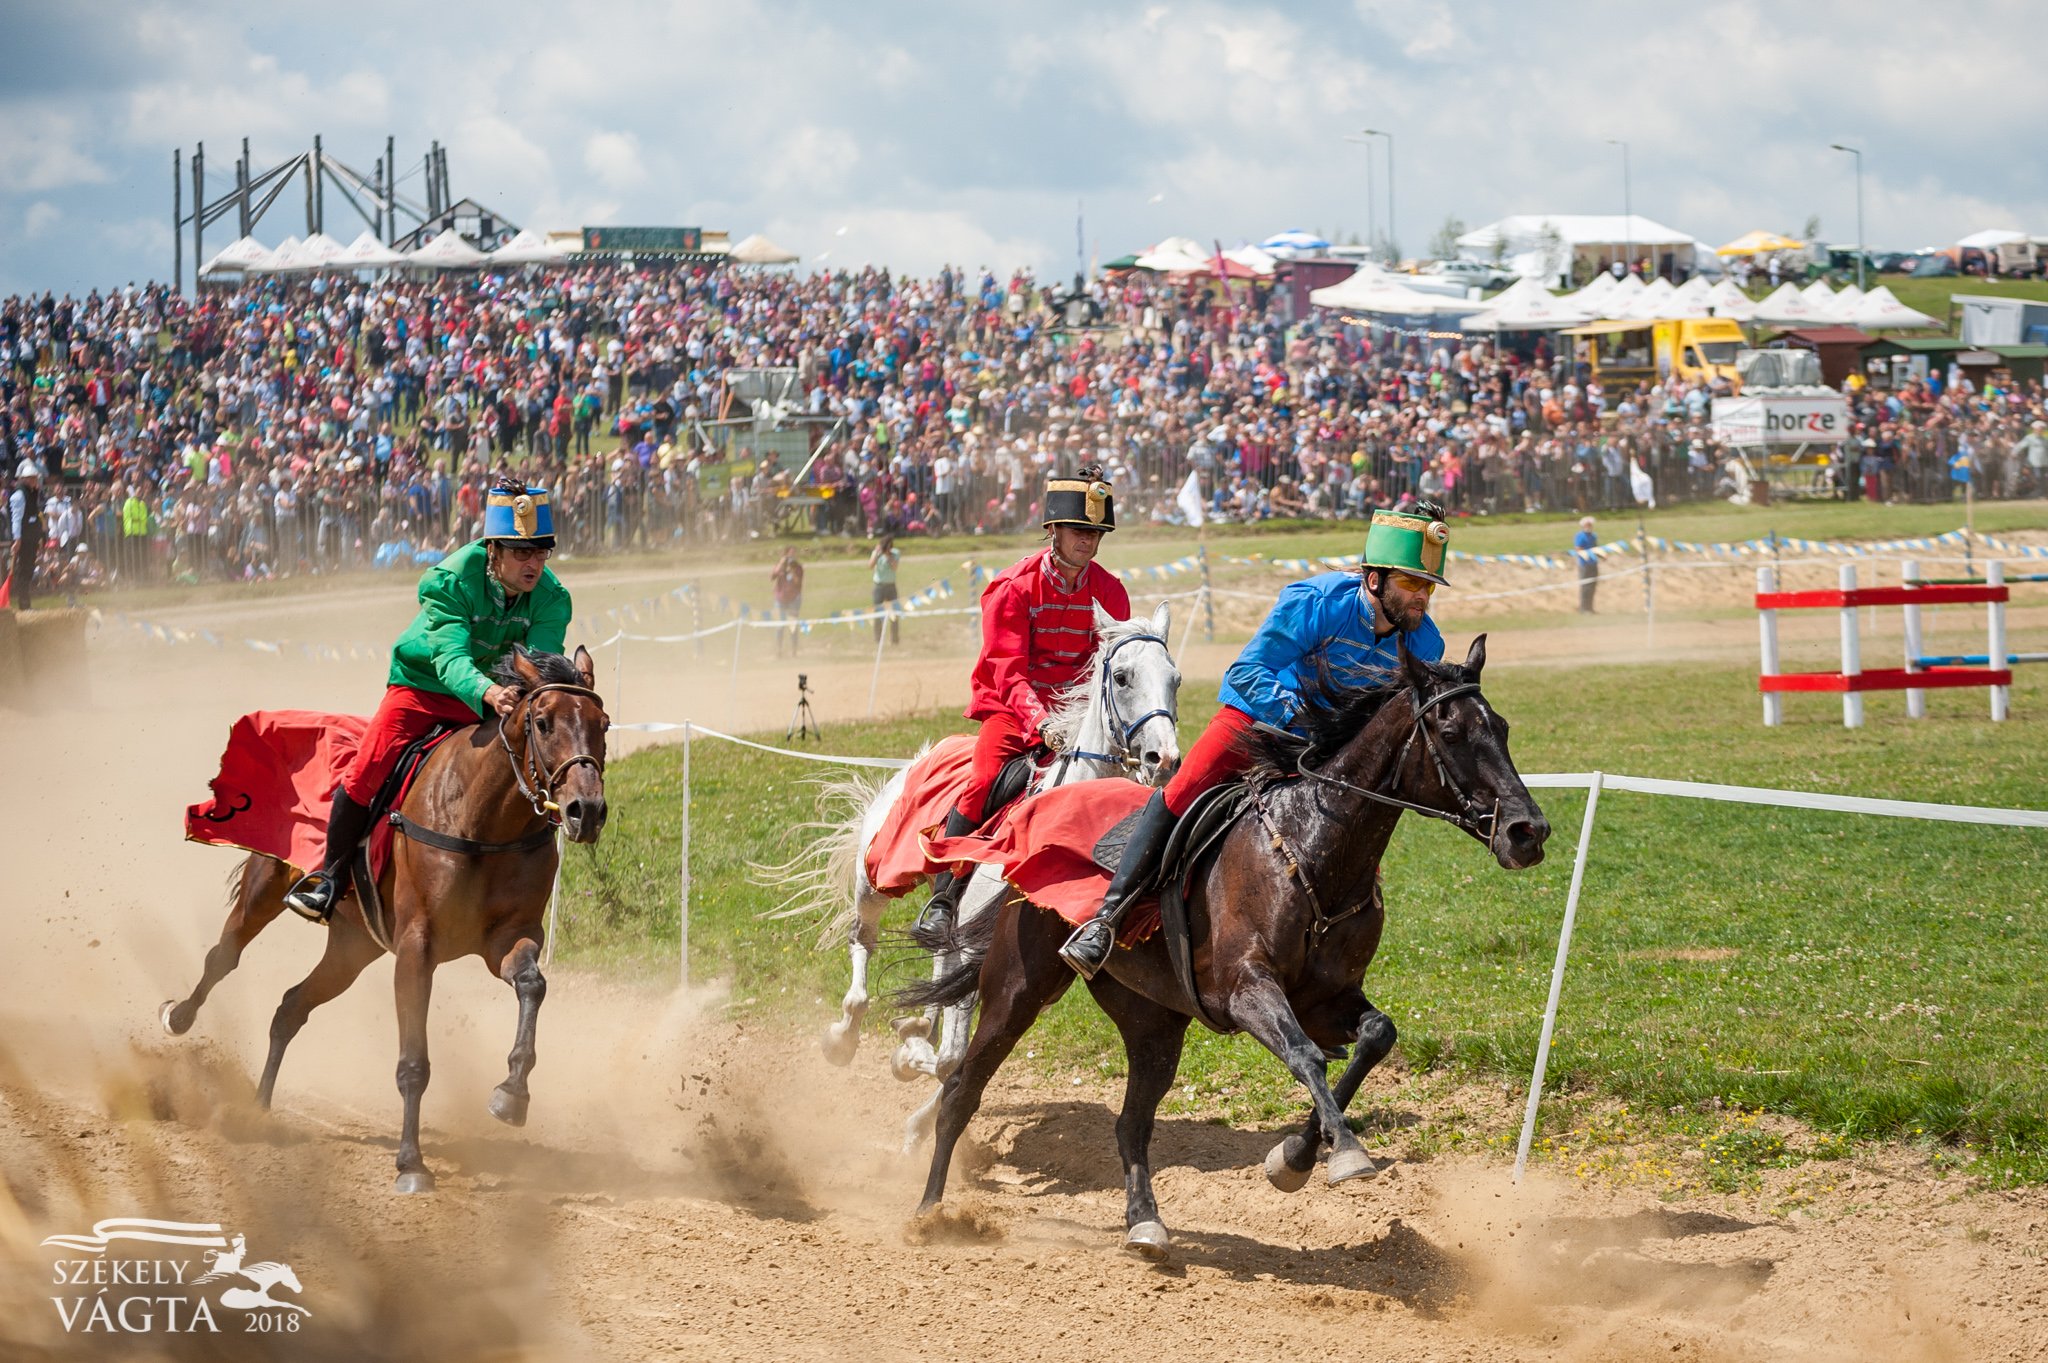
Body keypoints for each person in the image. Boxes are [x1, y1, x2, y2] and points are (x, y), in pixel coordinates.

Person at [1060, 502, 1452, 977]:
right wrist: (1304, 718)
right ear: (1374, 580)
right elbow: (1247, 672)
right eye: (1411, 583)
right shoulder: (1315, 602)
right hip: (1255, 723)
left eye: (1428, 586)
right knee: (1181, 792)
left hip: (1325, 751)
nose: (1422, 597)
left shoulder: (1426, 643)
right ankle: (1106, 919)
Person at [281, 483, 573, 922]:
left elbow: (538, 665)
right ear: (493, 550)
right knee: (365, 772)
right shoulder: (451, 579)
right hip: (422, 689)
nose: (533, 563)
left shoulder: (552, 597)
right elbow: (450, 658)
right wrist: (489, 691)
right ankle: (329, 880)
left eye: (540, 552)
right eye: (521, 552)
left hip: (489, 702)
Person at [919, 466, 1130, 936]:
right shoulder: (1012, 588)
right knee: (983, 779)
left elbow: (1106, 667)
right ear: (1053, 530)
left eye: (1097, 533)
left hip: (1077, 709)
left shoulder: (1111, 591)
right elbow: (1007, 671)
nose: (1089, 542)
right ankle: (945, 896)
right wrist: (1040, 720)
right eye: (1080, 530)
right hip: (1010, 706)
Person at [6, 458, 44, 610]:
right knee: (23, 571)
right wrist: (17, 539)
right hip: (24, 539)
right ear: (28, 479)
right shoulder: (19, 495)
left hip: (30, 538)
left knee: (28, 570)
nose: (36, 481)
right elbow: (16, 519)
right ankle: (24, 605)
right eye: (34, 478)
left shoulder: (31, 493)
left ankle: (26, 604)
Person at [770, 546, 805, 657]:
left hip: (794, 599)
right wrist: (781, 564)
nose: (792, 557)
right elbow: (772, 577)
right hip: (780, 599)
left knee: (792, 625)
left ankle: (794, 651)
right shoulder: (779, 566)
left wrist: (792, 570)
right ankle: (778, 650)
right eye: (790, 554)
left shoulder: (798, 567)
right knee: (779, 626)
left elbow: (798, 582)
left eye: (794, 554)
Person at [869, 534, 902, 644]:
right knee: (878, 613)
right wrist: (878, 554)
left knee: (894, 613)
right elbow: (870, 566)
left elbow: (895, 567)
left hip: (891, 586)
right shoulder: (876, 553)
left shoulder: (895, 553)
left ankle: (895, 639)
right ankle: (877, 639)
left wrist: (888, 555)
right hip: (879, 586)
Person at [1574, 515, 1599, 614]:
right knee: (1585, 587)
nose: (1589, 526)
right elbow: (1578, 548)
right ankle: (1583, 608)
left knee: (1592, 586)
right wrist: (1586, 555)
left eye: (1590, 524)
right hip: (1584, 564)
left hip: (1593, 564)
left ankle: (1590, 608)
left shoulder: (1593, 536)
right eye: (1587, 524)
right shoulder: (1580, 536)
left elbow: (1596, 548)